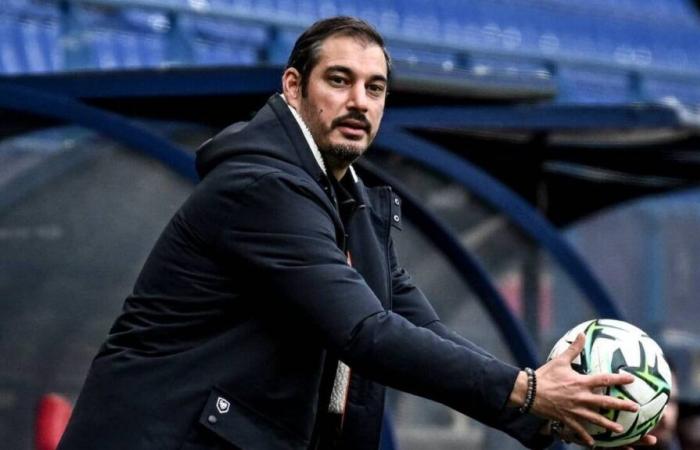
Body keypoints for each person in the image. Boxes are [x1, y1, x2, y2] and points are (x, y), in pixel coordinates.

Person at [57, 16, 655, 450]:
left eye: (374, 88)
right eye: (338, 81)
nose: (358, 102)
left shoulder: (356, 208)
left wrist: (555, 415)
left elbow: (424, 330)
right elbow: (365, 333)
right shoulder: (261, 188)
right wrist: (525, 391)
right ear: (294, 88)